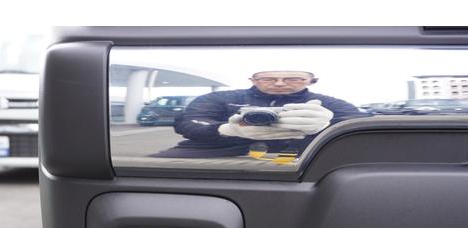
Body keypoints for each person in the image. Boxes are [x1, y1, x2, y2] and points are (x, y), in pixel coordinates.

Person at [151, 70, 368, 158]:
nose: (280, 83)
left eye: (293, 78)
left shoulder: (328, 103)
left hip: (302, 155)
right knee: (155, 165)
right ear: (253, 80)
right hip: (219, 151)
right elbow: (188, 121)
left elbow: (359, 122)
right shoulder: (220, 98)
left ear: (310, 81)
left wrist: (326, 124)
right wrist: (225, 129)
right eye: (268, 78)